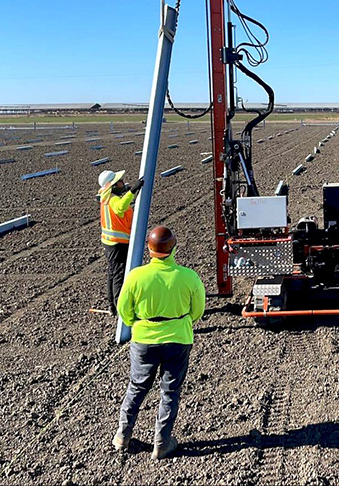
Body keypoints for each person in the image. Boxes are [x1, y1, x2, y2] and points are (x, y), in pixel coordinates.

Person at [113, 225, 205, 459]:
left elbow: (124, 311)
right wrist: (179, 323)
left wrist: (140, 324)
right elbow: (198, 311)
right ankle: (162, 442)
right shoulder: (188, 277)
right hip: (178, 340)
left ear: (149, 250)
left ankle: (123, 436)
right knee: (170, 391)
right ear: (173, 249)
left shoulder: (135, 276)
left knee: (136, 387)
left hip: (143, 340)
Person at [97, 170, 143, 314]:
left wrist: (127, 194)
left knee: (112, 273)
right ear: (113, 185)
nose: (123, 182)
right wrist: (132, 192)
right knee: (118, 275)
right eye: (120, 181)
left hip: (109, 243)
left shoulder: (106, 197)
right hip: (118, 244)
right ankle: (120, 308)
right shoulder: (112, 199)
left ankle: (112, 305)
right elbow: (120, 207)